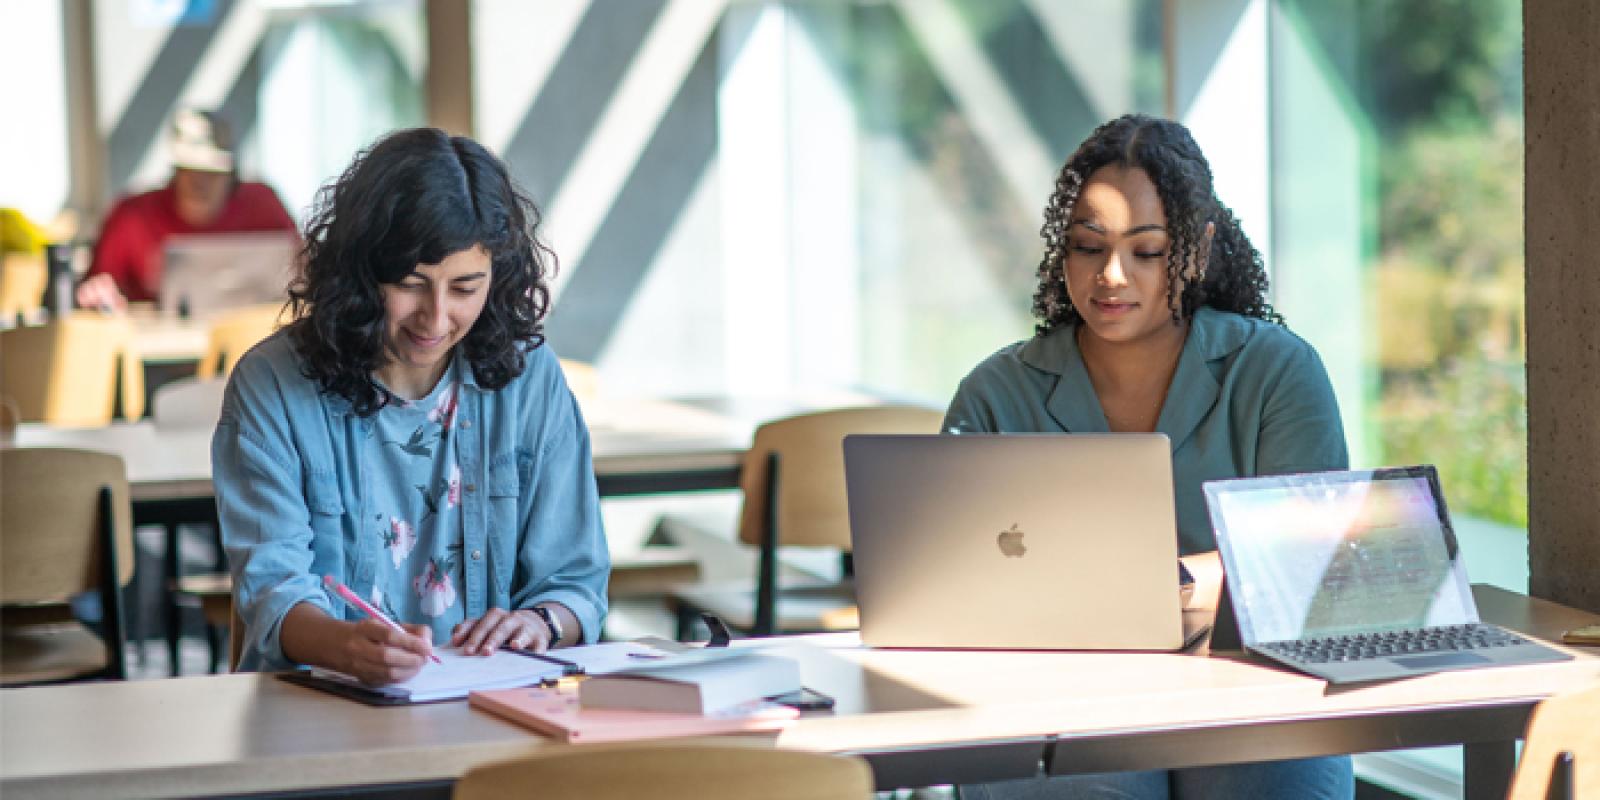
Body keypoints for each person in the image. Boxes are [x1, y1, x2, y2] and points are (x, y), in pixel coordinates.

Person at [946, 114, 1353, 799]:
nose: (1111, 276)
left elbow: (1310, 570)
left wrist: (1121, 591)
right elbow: (948, 586)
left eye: (1148, 251)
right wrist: (1196, 585)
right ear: (1061, 251)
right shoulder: (996, 393)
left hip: (1252, 692)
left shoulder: (1278, 372)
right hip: (1062, 697)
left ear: (1196, 248)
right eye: (1087, 246)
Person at [212, 128, 609, 684]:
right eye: (410, 284)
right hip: (320, 707)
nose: (436, 316)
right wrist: (346, 646)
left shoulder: (529, 377)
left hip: (492, 700)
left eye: (465, 288)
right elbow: (274, 590)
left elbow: (576, 584)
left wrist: (539, 622)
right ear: (359, 271)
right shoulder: (272, 384)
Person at [77, 109, 297, 310]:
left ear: (231, 175)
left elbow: (301, 270)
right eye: (189, 170)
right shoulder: (132, 215)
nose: (198, 182)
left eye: (211, 172)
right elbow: (98, 286)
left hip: (250, 339)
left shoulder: (262, 204)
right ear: (175, 171)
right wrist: (102, 296)